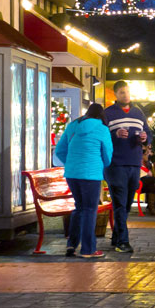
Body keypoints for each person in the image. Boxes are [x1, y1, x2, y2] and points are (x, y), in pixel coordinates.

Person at [53, 103, 113, 259]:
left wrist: (72, 163)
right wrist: (101, 164)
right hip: (91, 174)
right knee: (89, 210)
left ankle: (72, 244)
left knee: (79, 208)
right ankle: (88, 249)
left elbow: (59, 150)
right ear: (101, 115)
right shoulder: (102, 128)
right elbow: (107, 155)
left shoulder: (73, 125)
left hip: (72, 174)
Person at [104, 81, 150, 254]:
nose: (126, 95)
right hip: (115, 164)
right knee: (120, 202)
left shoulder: (138, 112)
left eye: (127, 92)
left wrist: (145, 138)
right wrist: (114, 135)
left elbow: (148, 132)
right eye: (122, 92)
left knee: (127, 203)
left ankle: (117, 236)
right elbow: (101, 137)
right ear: (116, 94)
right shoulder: (108, 113)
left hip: (134, 163)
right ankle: (123, 241)